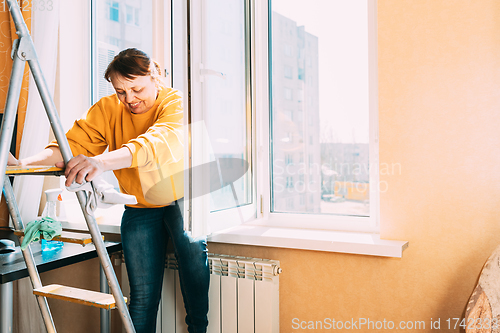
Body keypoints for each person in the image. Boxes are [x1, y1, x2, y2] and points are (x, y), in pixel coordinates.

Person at [8, 48, 210, 333]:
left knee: (193, 268)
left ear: (157, 78)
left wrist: (100, 162)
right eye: (120, 92)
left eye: (137, 89)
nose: (129, 99)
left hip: (183, 197)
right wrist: (21, 163)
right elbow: (69, 148)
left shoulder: (175, 102)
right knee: (141, 298)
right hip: (140, 205)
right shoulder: (107, 109)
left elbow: (156, 143)